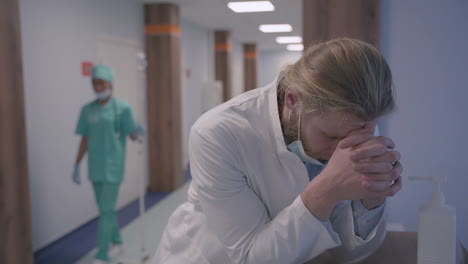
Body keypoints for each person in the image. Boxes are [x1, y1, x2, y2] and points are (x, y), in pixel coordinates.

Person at [152, 38, 403, 264]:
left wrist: (371, 198)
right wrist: (324, 191)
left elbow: (350, 253)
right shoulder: (219, 133)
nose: (342, 152)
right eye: (331, 137)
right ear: (292, 100)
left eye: (356, 137)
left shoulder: (353, 123)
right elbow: (250, 257)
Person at [73, 64, 145, 264]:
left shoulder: (123, 108)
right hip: (95, 167)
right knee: (106, 209)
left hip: (113, 166)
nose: (97, 87)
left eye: (101, 83)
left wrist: (138, 132)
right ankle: (118, 242)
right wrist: (76, 164)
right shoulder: (87, 110)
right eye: (94, 83)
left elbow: (132, 134)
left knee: (105, 210)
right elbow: (84, 139)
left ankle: (102, 254)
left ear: (110, 84)